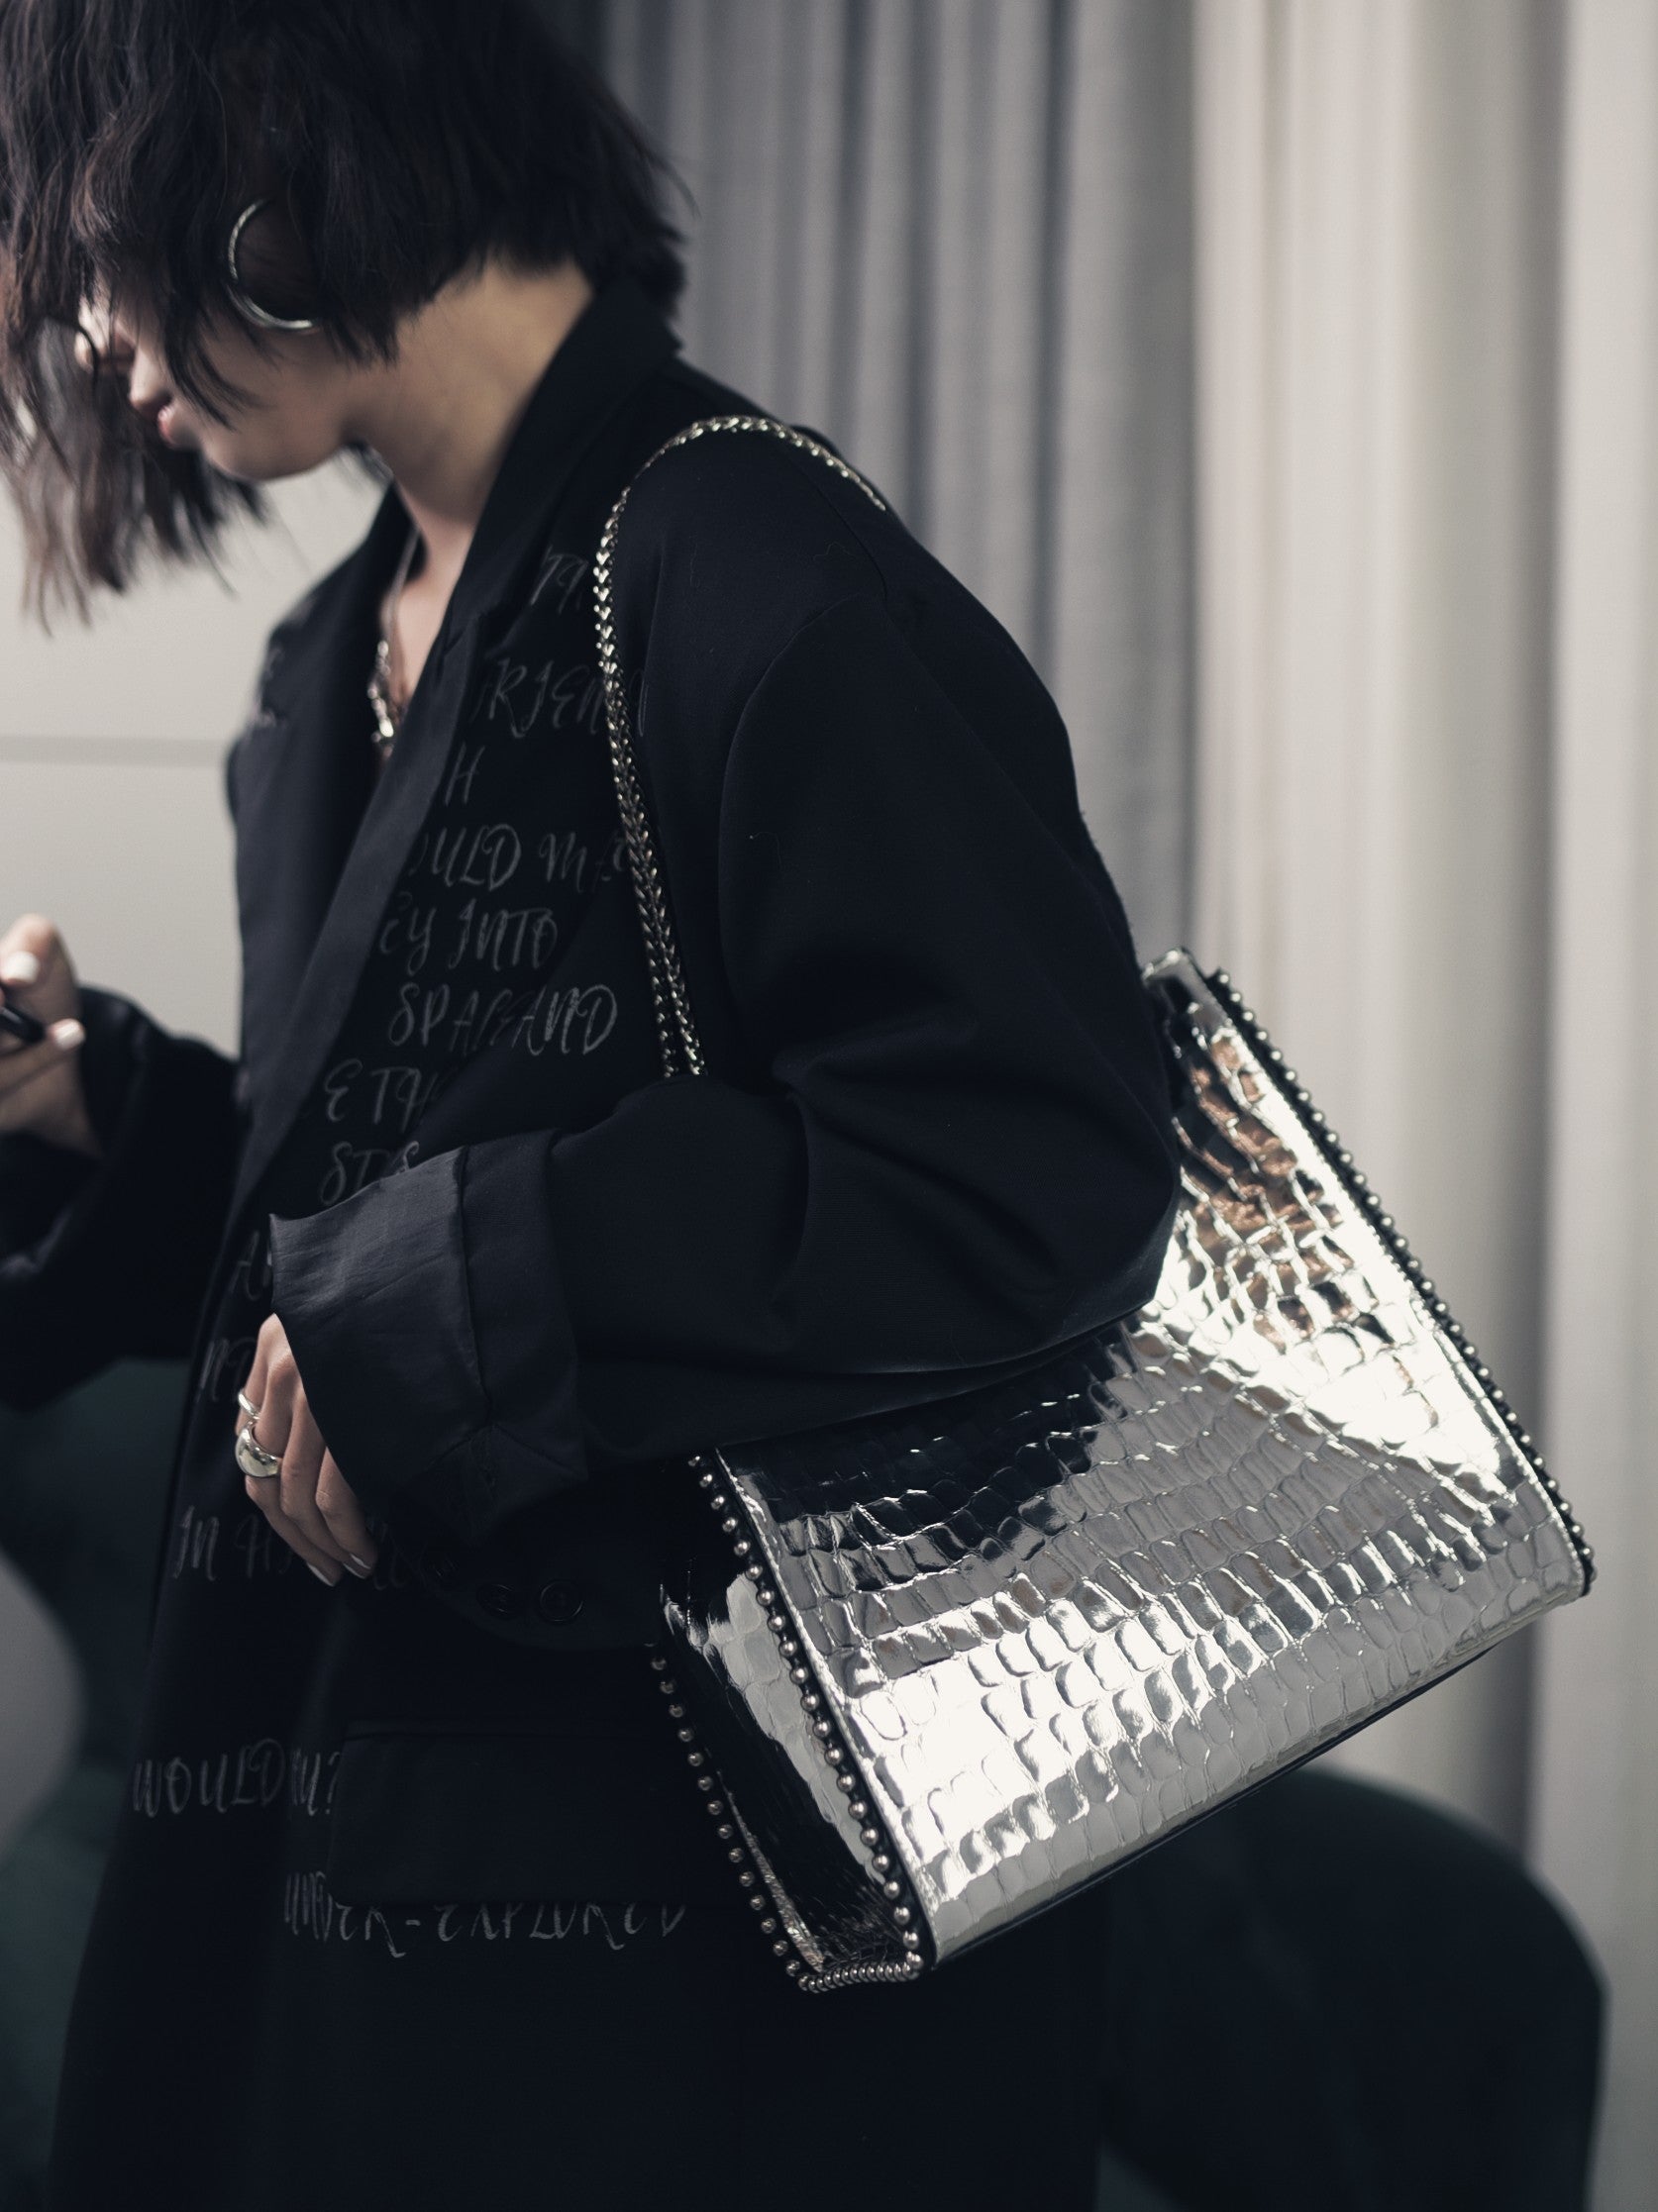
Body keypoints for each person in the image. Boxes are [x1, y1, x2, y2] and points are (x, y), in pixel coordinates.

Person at [0, 3, 1183, 2206]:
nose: (77, 316)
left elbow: (1034, 1160)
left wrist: (458, 1288)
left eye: (82, 225)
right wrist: (123, 1117)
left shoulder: (758, 579)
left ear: (269, 145)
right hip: (349, 1859)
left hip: (680, 1951)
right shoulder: (327, 664)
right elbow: (359, 1221)